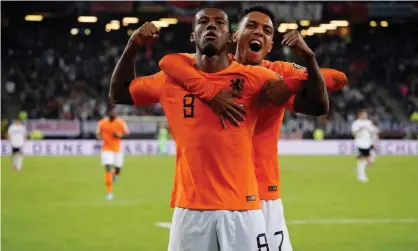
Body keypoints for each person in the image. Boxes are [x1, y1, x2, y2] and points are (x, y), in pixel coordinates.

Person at [110, 6, 301, 251]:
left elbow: (319, 94)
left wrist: (307, 63)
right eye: (203, 22)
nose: (211, 26)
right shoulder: (171, 77)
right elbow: (119, 92)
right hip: (190, 207)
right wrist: (133, 43)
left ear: (230, 36)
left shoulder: (255, 77)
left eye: (220, 22)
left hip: (244, 205)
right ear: (193, 35)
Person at [157, 5, 348, 250]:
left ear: (269, 45)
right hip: (215, 198)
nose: (259, 32)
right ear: (234, 35)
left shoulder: (275, 73)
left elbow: (336, 78)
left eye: (267, 31)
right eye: (251, 26)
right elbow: (169, 62)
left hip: (263, 194)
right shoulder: (213, 68)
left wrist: (288, 84)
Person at [96, 107, 129, 200]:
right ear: (108, 113)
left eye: (115, 112)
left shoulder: (120, 122)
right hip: (106, 149)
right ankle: (109, 192)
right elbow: (98, 134)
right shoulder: (102, 123)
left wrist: (119, 135)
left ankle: (114, 175)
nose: (114, 113)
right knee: (108, 168)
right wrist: (100, 136)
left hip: (117, 149)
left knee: (118, 169)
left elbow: (127, 132)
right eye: (112, 112)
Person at [351, 109, 375, 183]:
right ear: (360, 115)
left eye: (366, 114)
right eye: (364, 114)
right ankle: (361, 177)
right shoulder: (356, 123)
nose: (365, 115)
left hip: (367, 143)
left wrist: (372, 141)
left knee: (370, 157)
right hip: (360, 143)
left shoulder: (369, 122)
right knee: (362, 159)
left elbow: (372, 131)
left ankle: (360, 171)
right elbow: (354, 132)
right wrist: (359, 132)